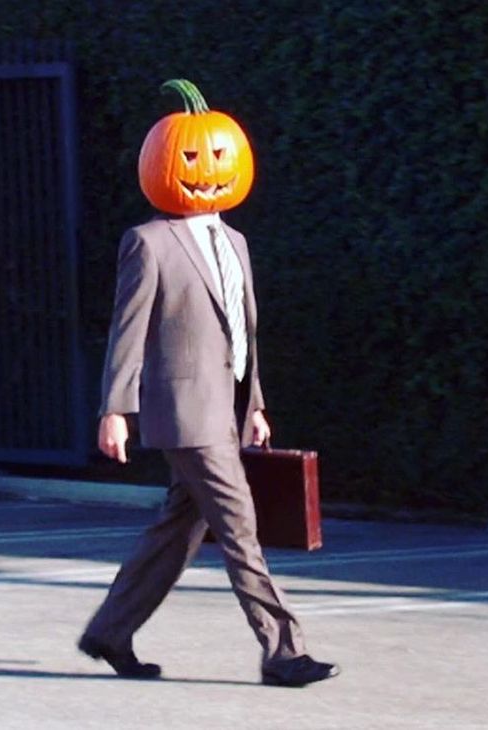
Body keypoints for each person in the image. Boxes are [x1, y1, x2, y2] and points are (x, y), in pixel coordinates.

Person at [77, 79, 339, 688]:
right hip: (183, 411)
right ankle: (283, 651)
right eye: (193, 158)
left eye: (219, 157)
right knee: (238, 523)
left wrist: (257, 405)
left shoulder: (237, 243)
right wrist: (115, 408)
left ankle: (110, 631)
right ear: (165, 165)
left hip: (227, 408)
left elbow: (242, 336)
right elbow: (128, 327)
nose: (207, 169)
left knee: (180, 526)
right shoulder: (149, 243)